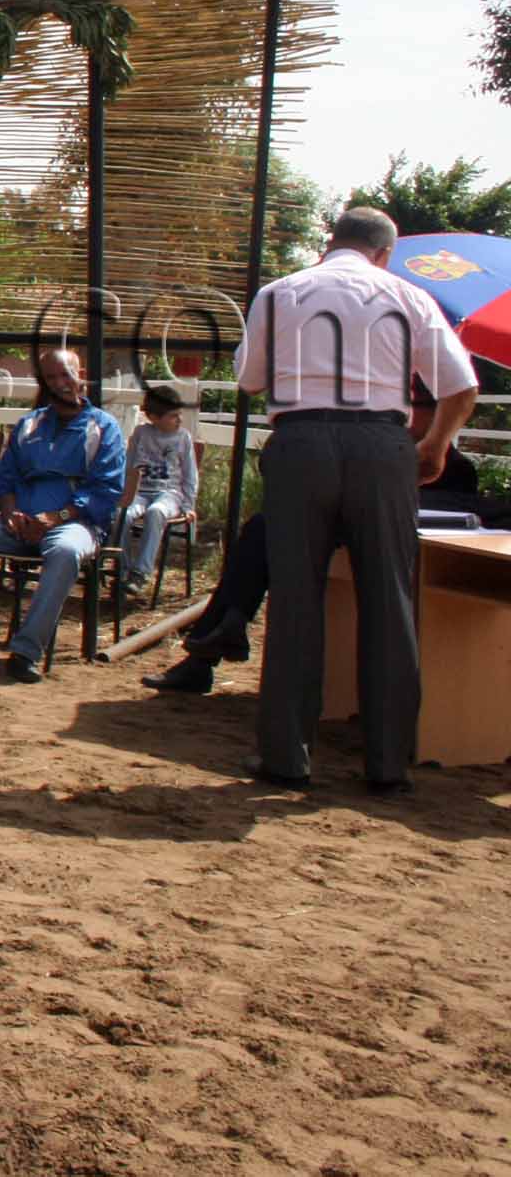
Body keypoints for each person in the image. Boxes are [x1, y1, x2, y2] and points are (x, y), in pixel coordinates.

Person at [232, 206, 478, 792]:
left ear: (330, 241)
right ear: (384, 253)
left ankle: (287, 758)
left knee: (295, 600)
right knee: (389, 598)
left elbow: (249, 379)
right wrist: (435, 445)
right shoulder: (408, 296)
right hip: (382, 445)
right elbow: (462, 385)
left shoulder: (280, 292)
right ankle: (388, 766)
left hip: (301, 442)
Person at [144, 379, 487, 695]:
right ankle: (222, 632)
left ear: (440, 414)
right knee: (264, 526)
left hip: (390, 552)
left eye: (414, 407)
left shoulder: (454, 469)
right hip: (340, 535)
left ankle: (215, 643)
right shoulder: (375, 447)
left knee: (273, 531)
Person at [0, 347, 125, 682]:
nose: (59, 383)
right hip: (19, 523)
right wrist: (9, 512)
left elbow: (105, 491)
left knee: (65, 551)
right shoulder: (29, 424)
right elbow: (4, 479)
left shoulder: (104, 427)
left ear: (81, 376)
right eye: (50, 377)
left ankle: (26, 651)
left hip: (74, 523)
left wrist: (54, 518)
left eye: (65, 375)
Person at [113, 383, 200, 598]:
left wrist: (188, 505)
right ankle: (122, 570)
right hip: (140, 491)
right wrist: (123, 493)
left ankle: (140, 573)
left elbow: (190, 474)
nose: (179, 420)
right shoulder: (141, 433)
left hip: (169, 493)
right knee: (122, 515)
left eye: (179, 414)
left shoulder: (183, 438)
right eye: (173, 416)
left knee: (156, 512)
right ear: (153, 417)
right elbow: (129, 465)